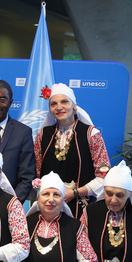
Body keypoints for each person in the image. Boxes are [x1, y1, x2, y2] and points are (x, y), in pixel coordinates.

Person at [33, 83, 110, 219]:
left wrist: (75, 192)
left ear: (74, 105)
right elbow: (37, 172)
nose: (59, 107)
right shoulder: (43, 135)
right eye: (54, 104)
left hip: (81, 208)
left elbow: (104, 176)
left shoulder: (91, 134)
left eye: (64, 102)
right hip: (48, 207)